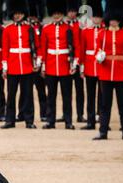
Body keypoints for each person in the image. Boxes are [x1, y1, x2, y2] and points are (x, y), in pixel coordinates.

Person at [93, 0, 123, 141]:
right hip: (105, 73)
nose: (113, 22)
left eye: (116, 20)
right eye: (111, 19)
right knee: (105, 105)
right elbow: (97, 52)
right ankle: (103, 131)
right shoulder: (101, 34)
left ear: (120, 20)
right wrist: (99, 56)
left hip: (121, 74)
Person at [41, 0, 79, 130]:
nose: (56, 16)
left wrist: (74, 63)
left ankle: (68, 121)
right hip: (51, 66)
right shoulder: (46, 28)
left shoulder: (69, 28)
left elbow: (75, 47)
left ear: (62, 14)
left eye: (59, 13)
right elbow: (43, 48)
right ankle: (50, 121)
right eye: (54, 13)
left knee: (67, 96)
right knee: (51, 96)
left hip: (65, 66)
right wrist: (44, 66)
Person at [1, 0, 38, 129]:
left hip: (27, 66)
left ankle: (29, 120)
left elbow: (35, 47)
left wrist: (36, 62)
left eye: (20, 13)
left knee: (28, 95)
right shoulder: (8, 29)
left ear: (24, 14)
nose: (17, 16)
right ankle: (10, 120)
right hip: (13, 66)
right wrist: (5, 67)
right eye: (15, 13)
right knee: (11, 95)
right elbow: (5, 49)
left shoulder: (29, 28)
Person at [80, 0, 104, 130]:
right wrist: (82, 67)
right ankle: (90, 121)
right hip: (89, 67)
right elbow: (82, 50)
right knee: (90, 96)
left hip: (102, 68)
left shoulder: (105, 31)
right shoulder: (85, 31)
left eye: (98, 17)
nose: (96, 19)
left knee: (102, 96)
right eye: (94, 17)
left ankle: (102, 121)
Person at [65, 0, 85, 123]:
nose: (72, 14)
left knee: (79, 91)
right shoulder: (63, 25)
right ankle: (66, 115)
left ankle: (80, 114)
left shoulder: (80, 25)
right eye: (70, 11)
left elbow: (82, 45)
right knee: (66, 91)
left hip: (78, 62)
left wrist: (79, 61)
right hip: (66, 62)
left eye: (73, 11)